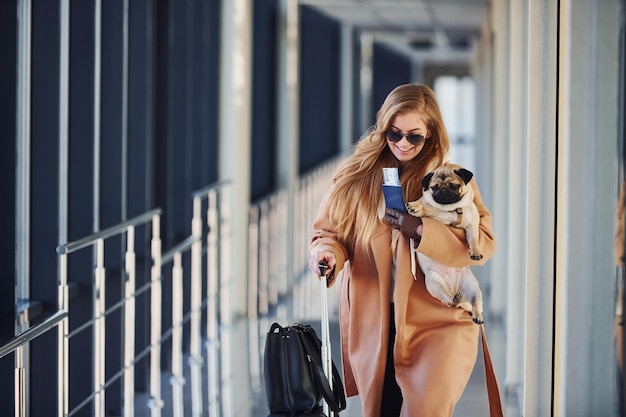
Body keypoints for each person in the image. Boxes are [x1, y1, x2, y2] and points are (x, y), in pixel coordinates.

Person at [308, 83, 496, 417]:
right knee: (383, 409)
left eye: (414, 136)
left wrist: (422, 229)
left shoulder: (448, 180)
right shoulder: (355, 177)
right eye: (394, 134)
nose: (403, 144)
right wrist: (328, 254)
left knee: (426, 409)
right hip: (377, 319)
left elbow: (481, 241)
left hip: (438, 319)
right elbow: (328, 233)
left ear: (432, 134)